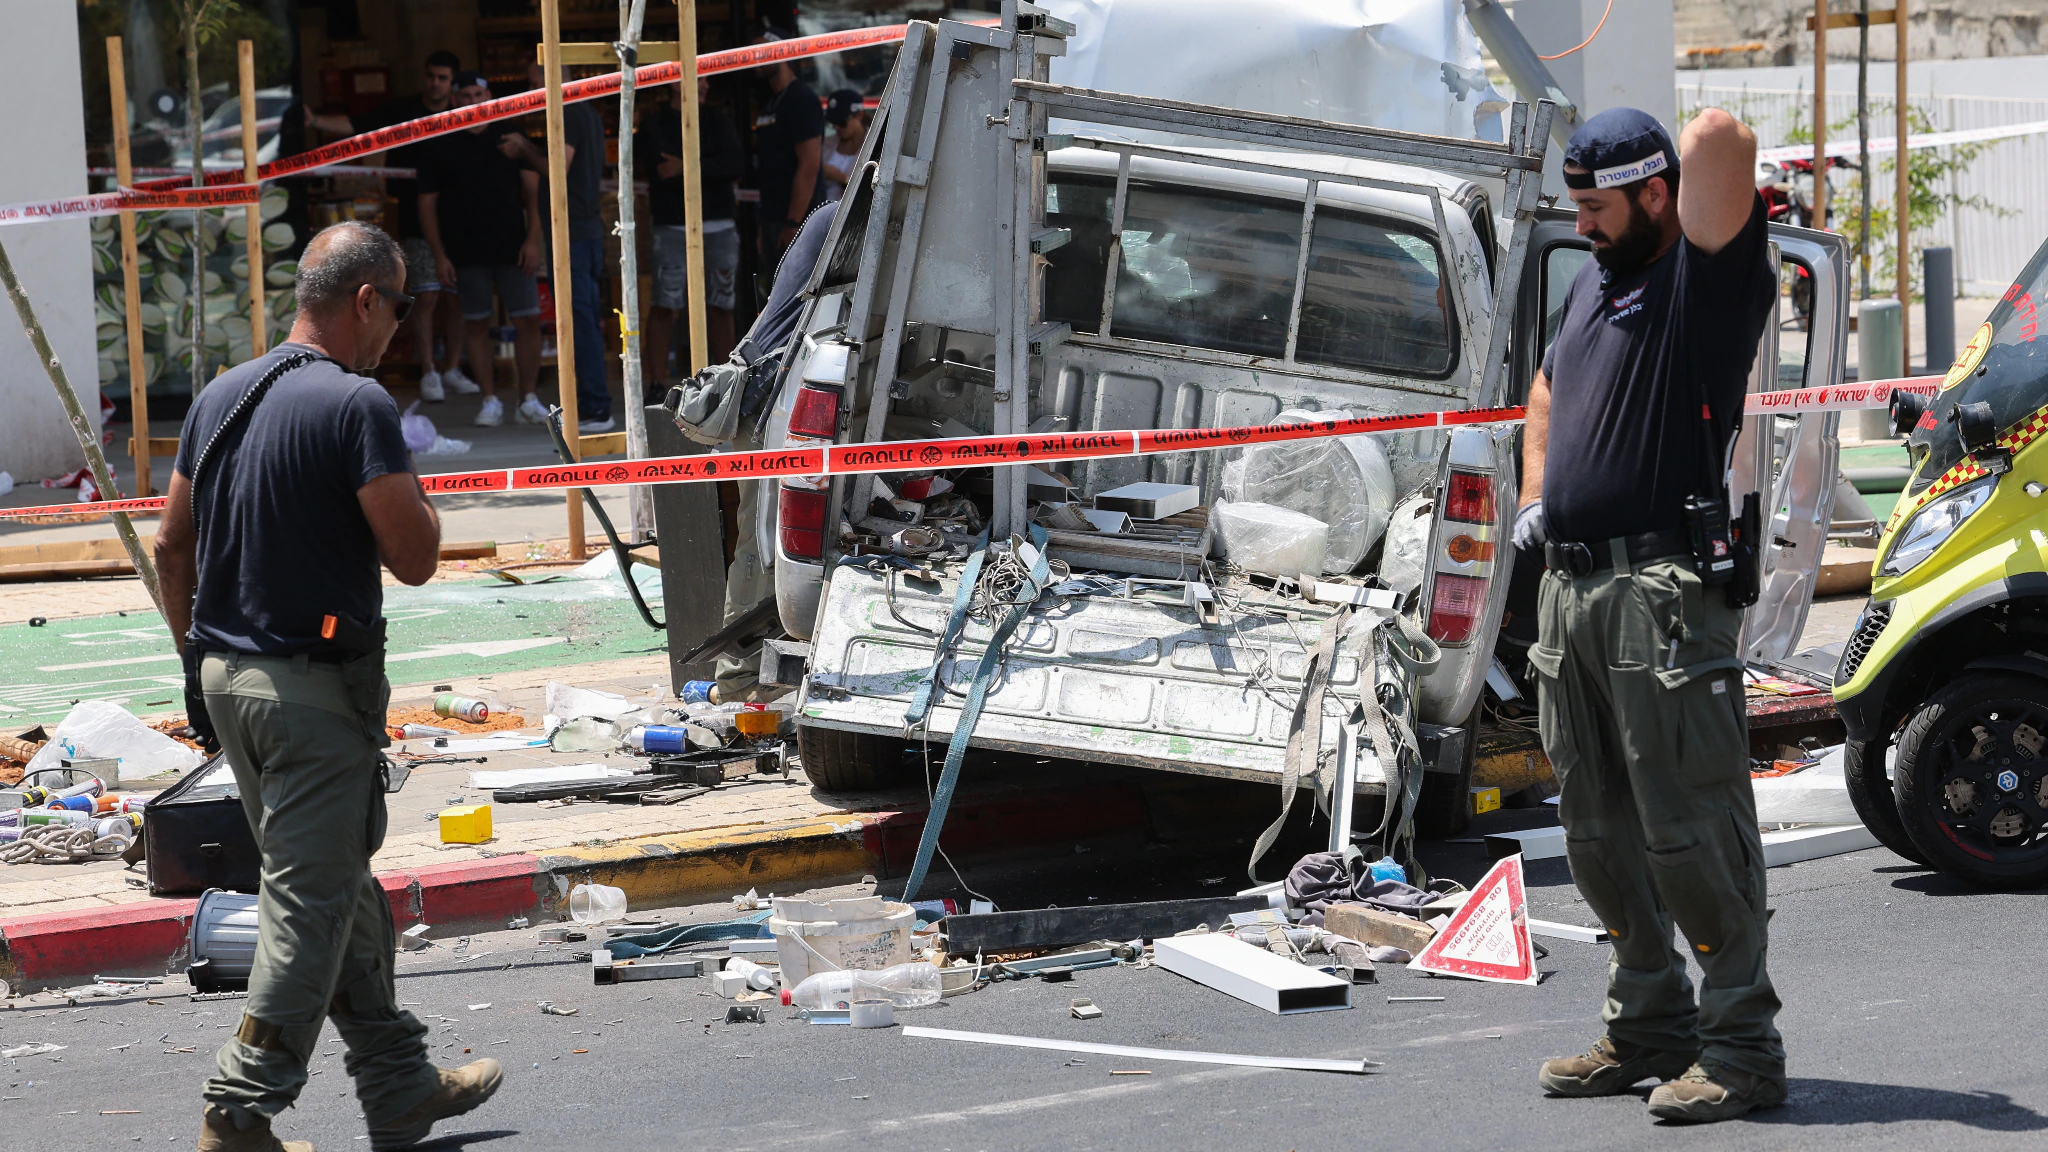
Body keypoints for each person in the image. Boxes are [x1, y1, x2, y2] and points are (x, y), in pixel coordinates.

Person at [154, 222, 503, 1152]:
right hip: (310, 699)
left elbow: (170, 546)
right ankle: (238, 1113)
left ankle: (398, 1084)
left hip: (230, 685)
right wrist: (419, 492)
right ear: (365, 300)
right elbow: (414, 556)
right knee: (307, 910)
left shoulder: (221, 395)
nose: (398, 328)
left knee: (339, 886)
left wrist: (196, 666)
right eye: (399, 307)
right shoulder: (358, 405)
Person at [1513, 107, 1784, 1123]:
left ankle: (1740, 1048)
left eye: (1596, 206)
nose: (1581, 226)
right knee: (1596, 834)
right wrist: (1537, 493)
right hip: (1572, 591)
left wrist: (1655, 145)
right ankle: (1648, 1027)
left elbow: (1719, 136)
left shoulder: (1701, 283)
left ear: (1656, 194)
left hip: (1660, 596)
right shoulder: (1595, 280)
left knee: (1691, 831)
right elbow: (1545, 389)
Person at [667, 201, 838, 701]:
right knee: (762, 547)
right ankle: (740, 681)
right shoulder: (846, 216)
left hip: (775, 392)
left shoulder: (837, 215)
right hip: (770, 401)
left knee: (770, 543)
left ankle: (757, 675)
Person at [315, 52, 478, 402]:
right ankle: (429, 371)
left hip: (462, 221)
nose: (436, 83)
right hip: (414, 218)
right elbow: (356, 125)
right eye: (431, 76)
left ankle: (452, 368)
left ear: (453, 83)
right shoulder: (403, 111)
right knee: (426, 295)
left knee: (459, 297)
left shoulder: (465, 117)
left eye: (443, 78)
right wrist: (313, 119)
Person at [417, 73, 548, 428]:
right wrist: (439, 255)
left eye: (478, 94)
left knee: (529, 320)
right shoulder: (439, 141)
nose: (472, 101)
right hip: (465, 251)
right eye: (465, 95)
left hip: (514, 248)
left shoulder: (510, 134)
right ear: (454, 100)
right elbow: (426, 203)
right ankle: (489, 399)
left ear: (489, 96)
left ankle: (528, 398)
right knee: (475, 324)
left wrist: (533, 240)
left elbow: (534, 192)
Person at [499, 63, 614, 433]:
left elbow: (558, 168)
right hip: (581, 230)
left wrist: (524, 149)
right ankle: (590, 404)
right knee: (580, 320)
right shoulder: (586, 112)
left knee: (580, 322)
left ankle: (596, 407)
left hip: (575, 234)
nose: (533, 92)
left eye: (537, 83)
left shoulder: (571, 111)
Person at [636, 78, 743, 385]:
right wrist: (710, 165)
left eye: (708, 79)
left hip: (719, 225)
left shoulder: (718, 119)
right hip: (672, 225)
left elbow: (735, 164)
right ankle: (657, 385)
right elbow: (663, 169)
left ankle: (726, 384)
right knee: (664, 303)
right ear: (676, 83)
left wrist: (686, 165)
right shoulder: (654, 123)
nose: (706, 85)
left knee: (722, 304)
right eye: (700, 78)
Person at [750, 31, 824, 266]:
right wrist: (764, 225)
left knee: (799, 286)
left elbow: (809, 164)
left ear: (780, 53)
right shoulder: (771, 102)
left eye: (761, 52)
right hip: (773, 217)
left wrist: (794, 222)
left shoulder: (800, 99)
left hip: (798, 222)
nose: (755, 59)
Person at [819, 89, 867, 202]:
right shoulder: (826, 144)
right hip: (822, 208)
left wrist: (843, 179)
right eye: (833, 123)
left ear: (859, 115)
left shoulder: (875, 147)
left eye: (842, 123)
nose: (837, 128)